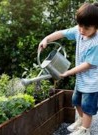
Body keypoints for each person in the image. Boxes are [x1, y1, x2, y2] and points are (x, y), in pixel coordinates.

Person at [38, 2, 98, 135]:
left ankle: (85, 130)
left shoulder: (96, 42)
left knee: (88, 107)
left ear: (96, 27)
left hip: (93, 82)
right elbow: (61, 33)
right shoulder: (79, 31)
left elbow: (87, 64)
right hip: (81, 79)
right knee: (76, 100)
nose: (81, 30)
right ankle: (81, 121)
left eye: (86, 28)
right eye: (80, 26)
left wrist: (68, 72)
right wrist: (46, 39)